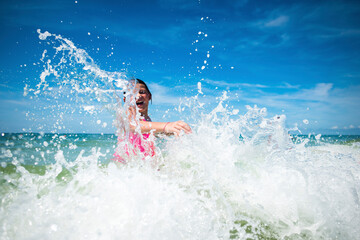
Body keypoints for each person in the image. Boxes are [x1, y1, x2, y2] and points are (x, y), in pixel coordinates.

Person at [113, 78, 192, 163]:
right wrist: (166, 126)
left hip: (146, 165)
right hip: (125, 165)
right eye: (132, 93)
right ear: (125, 99)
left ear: (149, 96)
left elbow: (149, 132)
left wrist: (171, 132)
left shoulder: (148, 121)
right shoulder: (126, 113)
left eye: (142, 92)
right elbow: (132, 126)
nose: (138, 95)